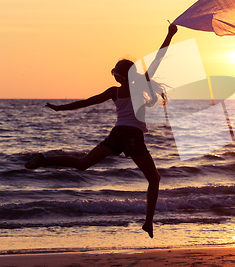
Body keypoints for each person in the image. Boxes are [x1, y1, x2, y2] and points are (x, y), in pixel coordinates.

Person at [25, 23, 178, 239]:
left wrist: (60, 108)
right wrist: (169, 34)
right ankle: (148, 222)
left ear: (118, 76)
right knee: (154, 179)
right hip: (132, 137)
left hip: (116, 134)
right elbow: (159, 58)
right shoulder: (139, 85)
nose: (113, 74)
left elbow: (86, 103)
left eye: (114, 71)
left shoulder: (113, 91)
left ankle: (45, 160)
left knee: (82, 163)